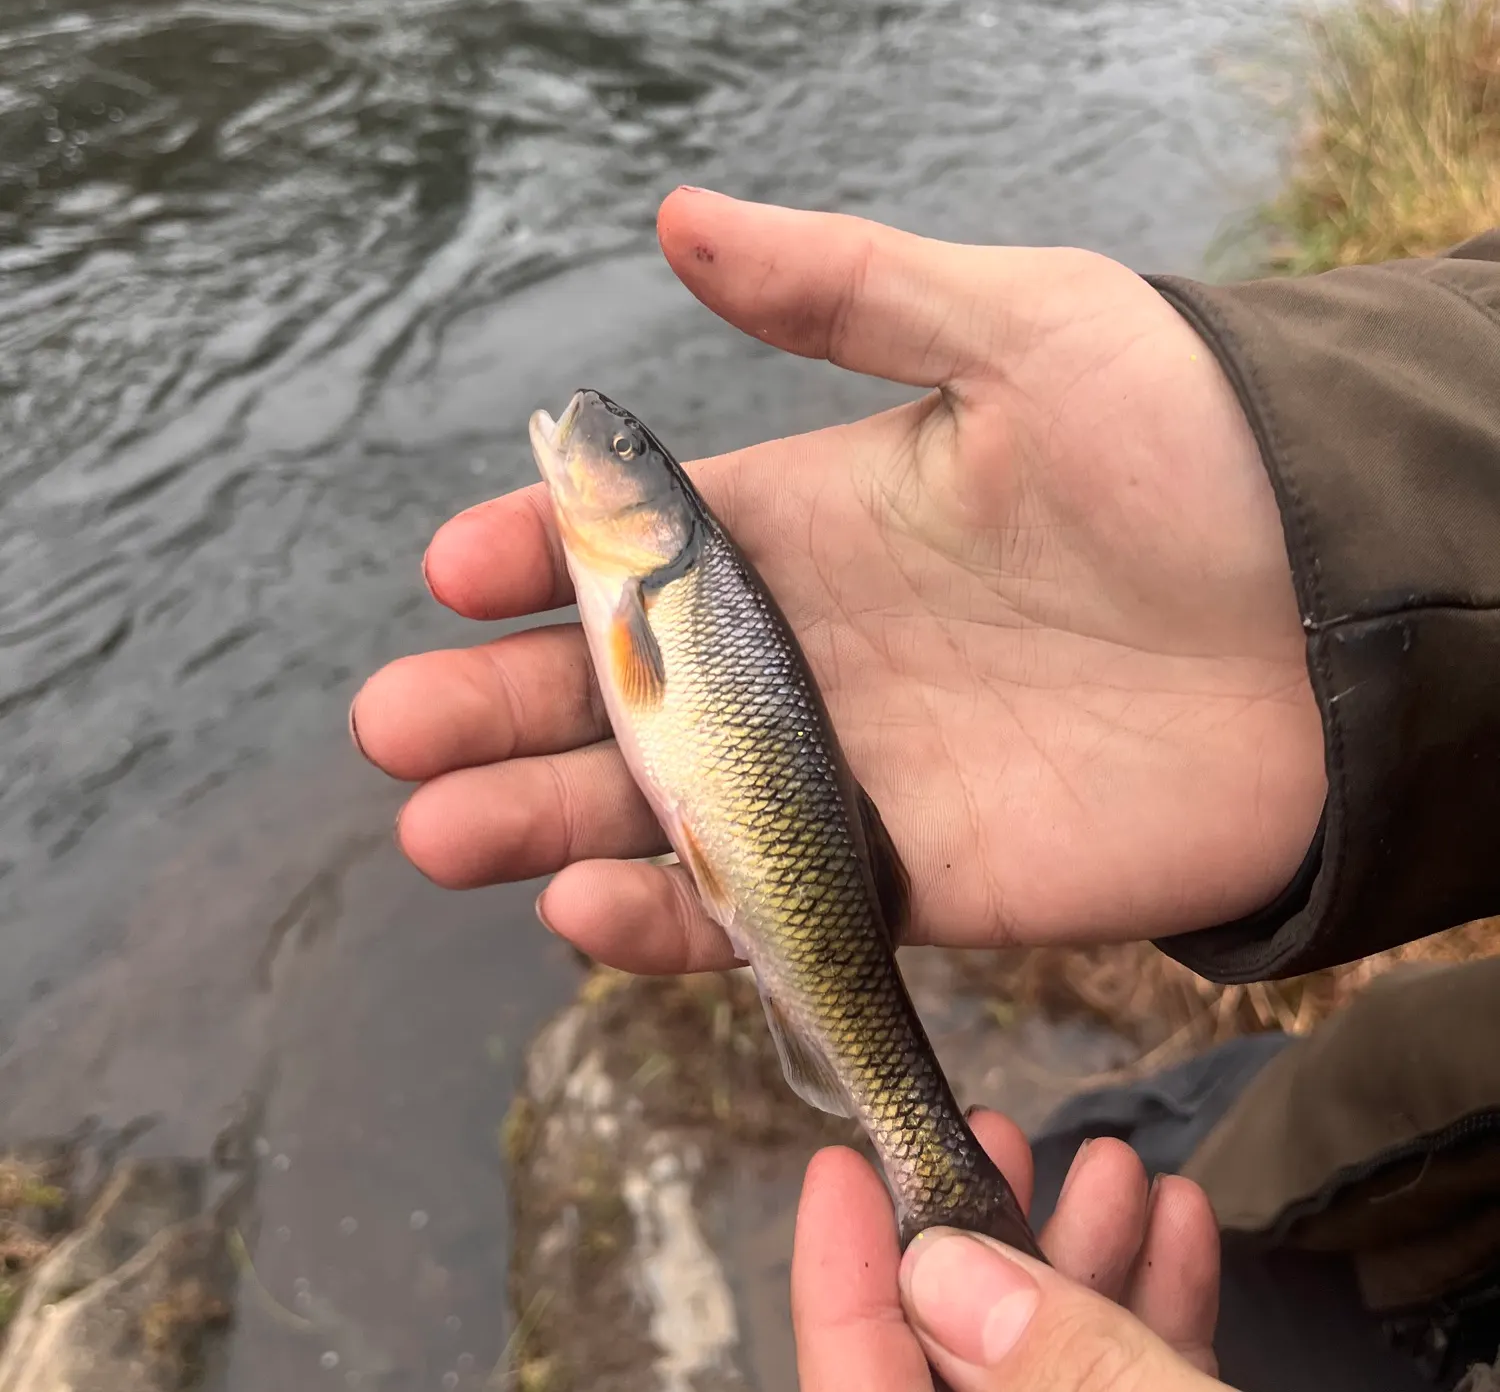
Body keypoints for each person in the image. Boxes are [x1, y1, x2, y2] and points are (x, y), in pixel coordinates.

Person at [348, 188, 1500, 1391]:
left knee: (1094, 1193)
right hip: (1398, 1162)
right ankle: (939, 1176)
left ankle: (935, 1175)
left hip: (1387, 1189)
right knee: (1095, 1186)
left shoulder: (648, 601)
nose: (602, 442)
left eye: (627, 453)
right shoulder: (642, 584)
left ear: (661, 517)